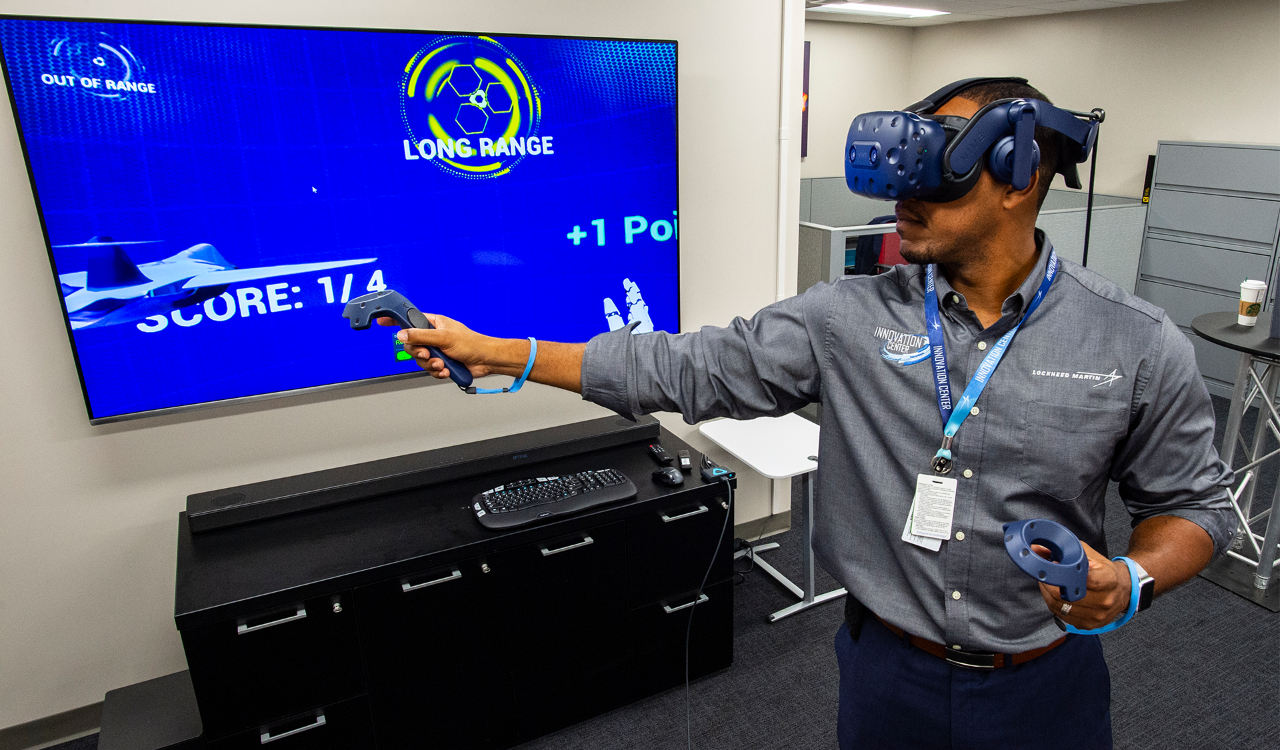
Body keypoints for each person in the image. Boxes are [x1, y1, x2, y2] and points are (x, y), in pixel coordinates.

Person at [387, 80, 1235, 749]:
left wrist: (1132, 579)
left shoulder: (1135, 341)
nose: (904, 196)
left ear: (1020, 177)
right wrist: (500, 352)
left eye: (936, 172)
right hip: (887, 677)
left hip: (1044, 687)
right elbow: (685, 367)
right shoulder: (846, 319)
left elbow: (1193, 508)